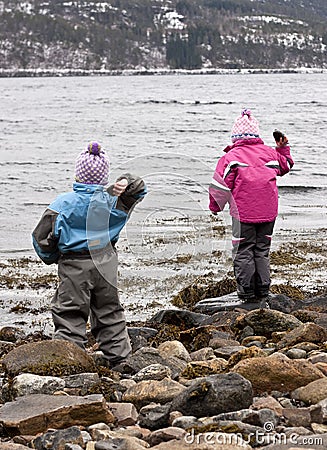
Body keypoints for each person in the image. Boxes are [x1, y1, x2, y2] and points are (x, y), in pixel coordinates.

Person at [32, 141, 147, 368]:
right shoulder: (115, 201)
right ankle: (121, 360)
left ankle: (71, 360)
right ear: (105, 178)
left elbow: (41, 238)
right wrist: (125, 181)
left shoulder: (62, 204)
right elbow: (139, 188)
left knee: (70, 313)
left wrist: (52, 257)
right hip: (105, 262)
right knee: (109, 311)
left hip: (74, 264)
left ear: (78, 175)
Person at [209, 109, 294, 301]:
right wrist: (283, 147)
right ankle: (262, 289)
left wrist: (215, 206)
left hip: (243, 215)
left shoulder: (231, 158)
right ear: (256, 135)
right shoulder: (269, 154)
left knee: (243, 250)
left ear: (235, 136)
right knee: (262, 249)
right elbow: (286, 165)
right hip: (268, 213)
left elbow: (219, 186)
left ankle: (247, 292)